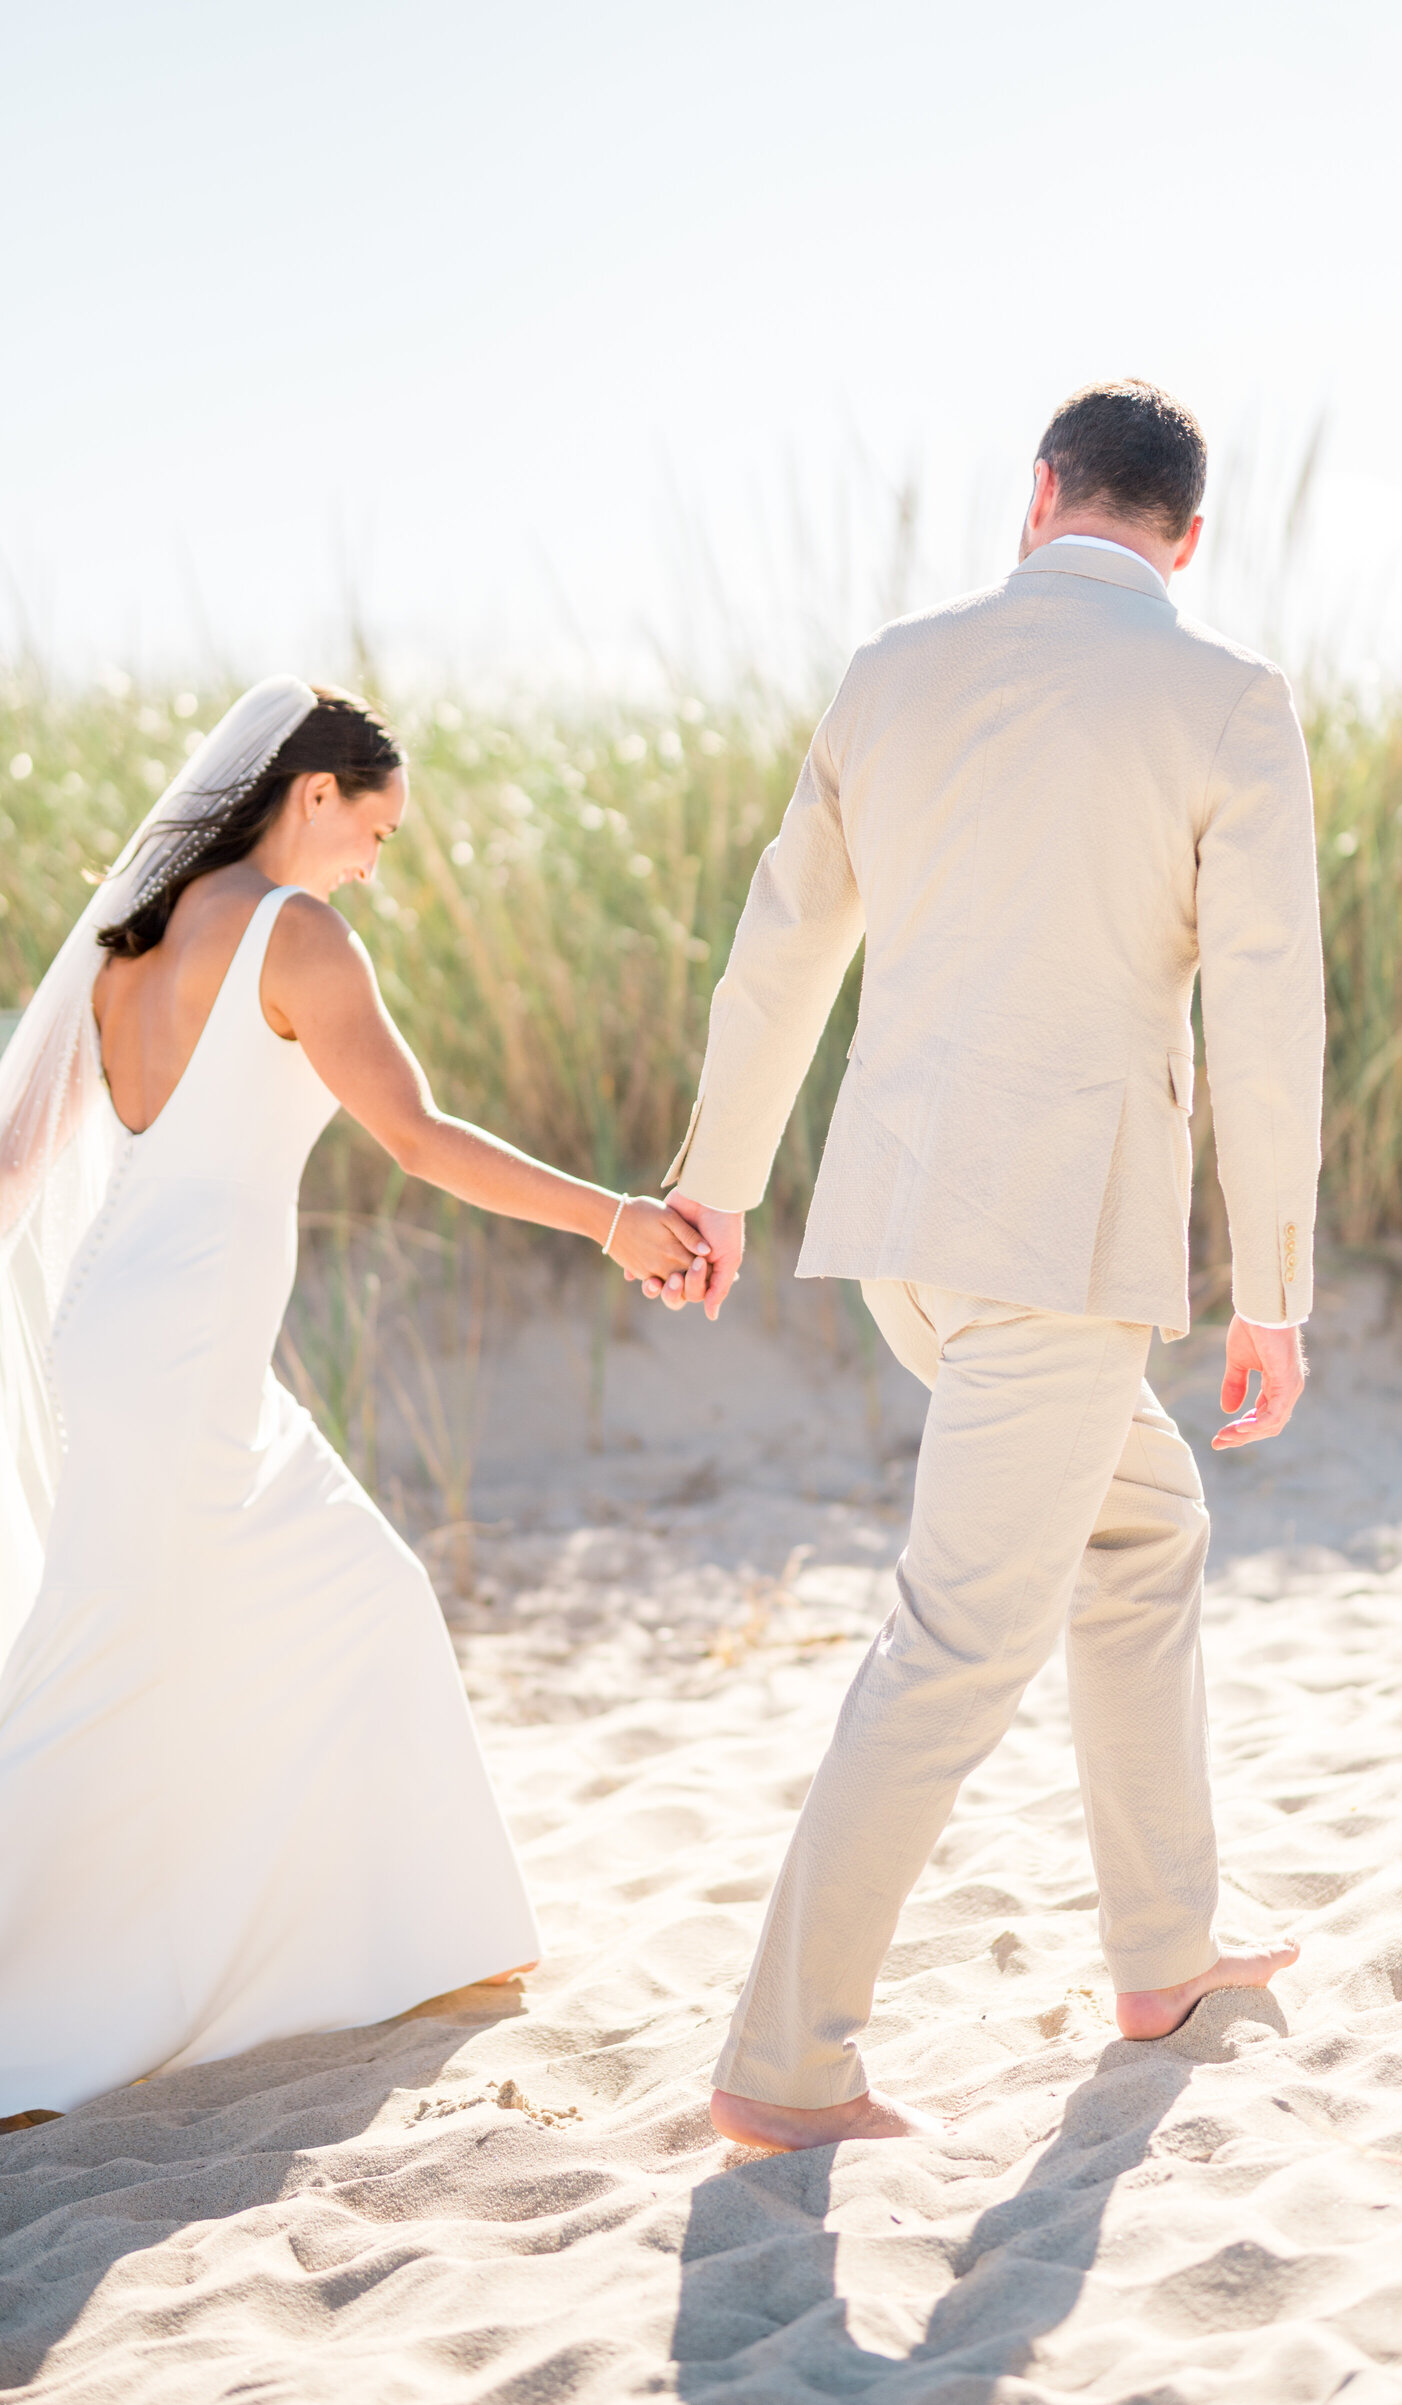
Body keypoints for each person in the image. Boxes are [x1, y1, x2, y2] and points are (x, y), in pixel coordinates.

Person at [664, 380, 1324, 2150]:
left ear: (1039, 495)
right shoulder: (1229, 699)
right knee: (953, 1642)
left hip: (903, 1234)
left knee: (1142, 1523)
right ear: (1190, 538)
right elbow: (1270, 1021)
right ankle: (785, 2066)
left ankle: (1166, 1947)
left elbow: (779, 946)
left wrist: (719, 1182)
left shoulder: (891, 670)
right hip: (1063, 1242)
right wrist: (1274, 1286)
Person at [0, 678, 706, 2121]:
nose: (373, 867)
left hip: (124, 1343)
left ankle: (410, 1946)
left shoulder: (128, 946)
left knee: (345, 1598)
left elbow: (15, 1159)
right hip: (183, 1356)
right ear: (308, 792)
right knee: (101, 1666)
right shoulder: (290, 933)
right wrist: (616, 1218)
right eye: (373, 831)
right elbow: (419, 1137)